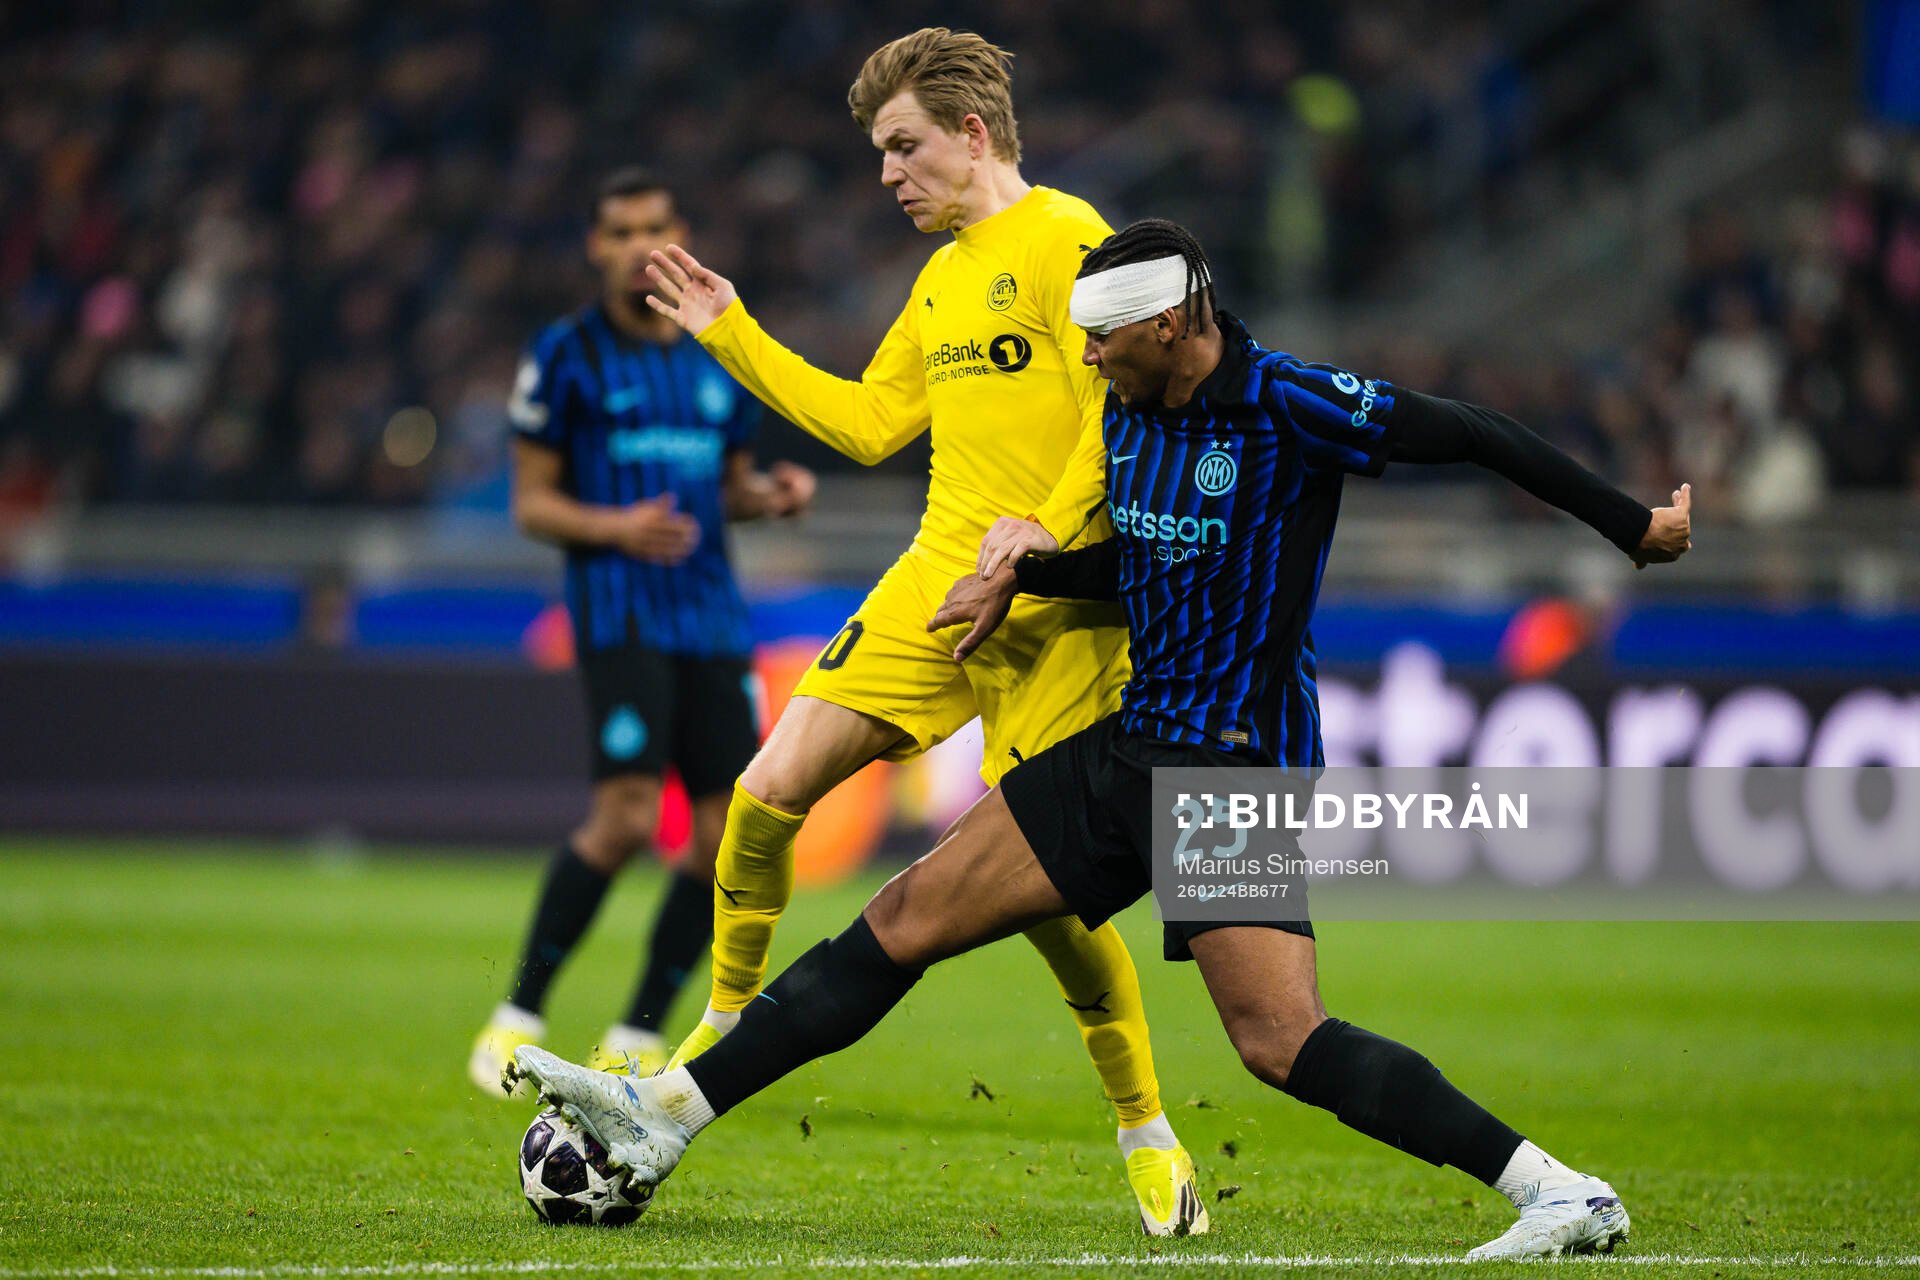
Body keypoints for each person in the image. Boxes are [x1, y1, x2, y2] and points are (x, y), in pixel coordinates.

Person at [511, 217, 1695, 1259]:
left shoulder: (1293, 404)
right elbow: (1137, 558)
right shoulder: (1131, 411)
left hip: (1237, 760)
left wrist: (1631, 522)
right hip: (1133, 742)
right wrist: (1020, 583)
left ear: (1177, 322)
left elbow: (1480, 432)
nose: (1083, 357)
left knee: (1279, 1041)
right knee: (904, 917)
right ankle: (669, 1116)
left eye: (1101, 339)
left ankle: (1557, 1191)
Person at [638, 29, 1204, 1234]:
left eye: (903, 147)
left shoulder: (1069, 241)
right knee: (764, 786)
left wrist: (1036, 539)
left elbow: (1123, 422)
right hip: (938, 574)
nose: (888, 174)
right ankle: (724, 1028)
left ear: (973, 134)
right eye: (879, 153)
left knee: (1047, 898)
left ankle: (1144, 1121)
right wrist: (731, 331)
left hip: (1053, 599)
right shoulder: (941, 278)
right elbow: (865, 424)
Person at [467, 168, 815, 1095]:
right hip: (621, 618)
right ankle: (517, 1015)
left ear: (680, 232)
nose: (636, 245)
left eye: (653, 226)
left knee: (719, 839)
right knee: (623, 818)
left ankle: (635, 1032)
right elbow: (531, 504)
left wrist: (769, 496)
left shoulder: (714, 354)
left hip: (712, 621)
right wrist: (618, 529)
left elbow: (724, 488)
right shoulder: (565, 354)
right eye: (619, 230)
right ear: (595, 245)